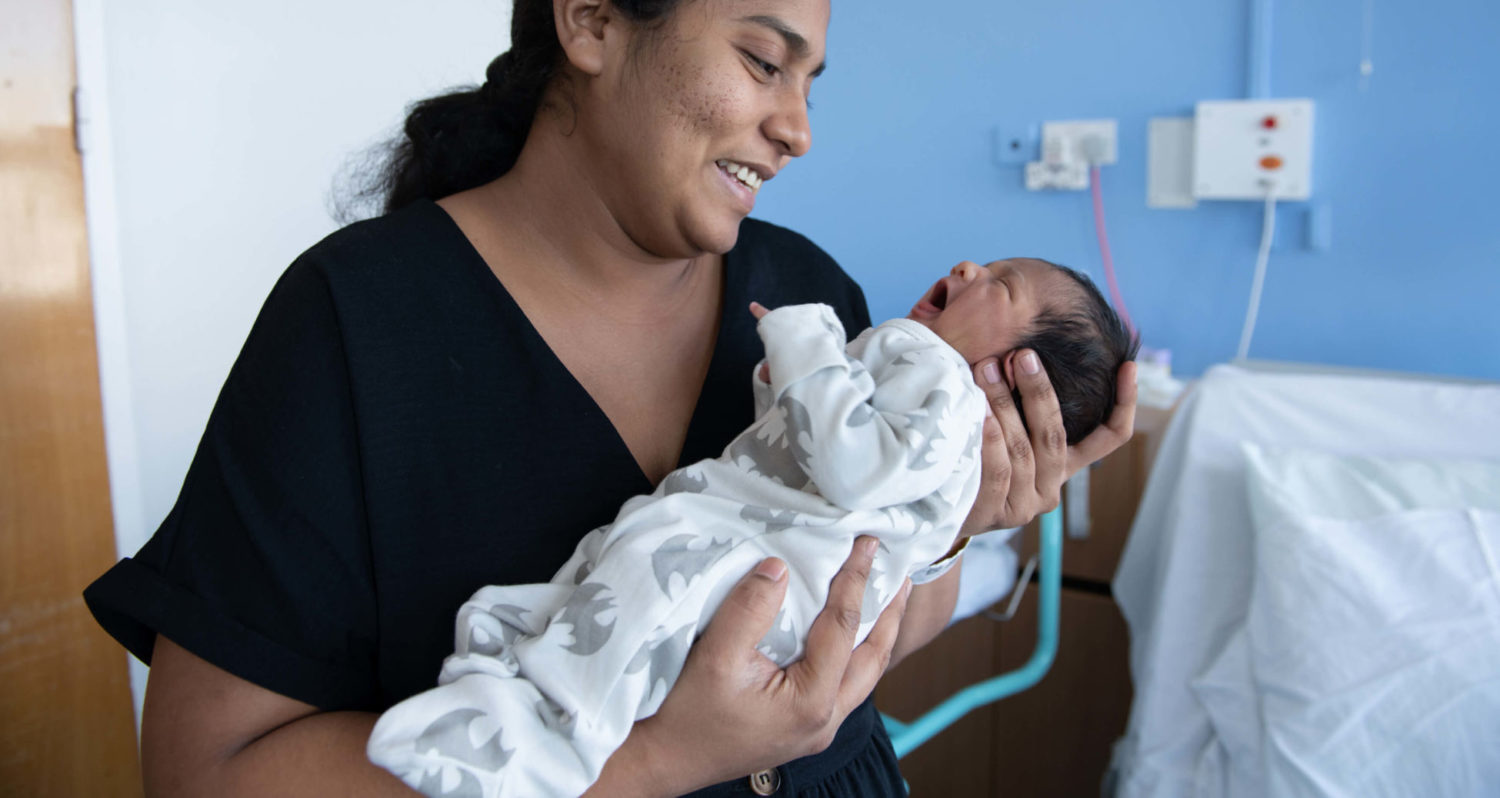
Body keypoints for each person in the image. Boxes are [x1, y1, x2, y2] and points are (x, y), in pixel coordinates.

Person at [82, 1, 1138, 796]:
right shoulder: (358, 324)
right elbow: (206, 771)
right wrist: (650, 762)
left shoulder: (808, 292)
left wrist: (961, 524)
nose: (798, 129)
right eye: (764, 62)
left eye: (811, 82)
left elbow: (855, 623)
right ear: (590, 21)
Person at [367, 257, 1138, 798]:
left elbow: (851, 467)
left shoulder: (940, 382)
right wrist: (787, 383)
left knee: (642, 591)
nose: (967, 268)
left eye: (999, 283)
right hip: (757, 561)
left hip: (766, 580)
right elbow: (796, 450)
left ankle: (531, 744)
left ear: (1012, 370)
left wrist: (803, 344)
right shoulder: (919, 387)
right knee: (618, 580)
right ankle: (520, 676)